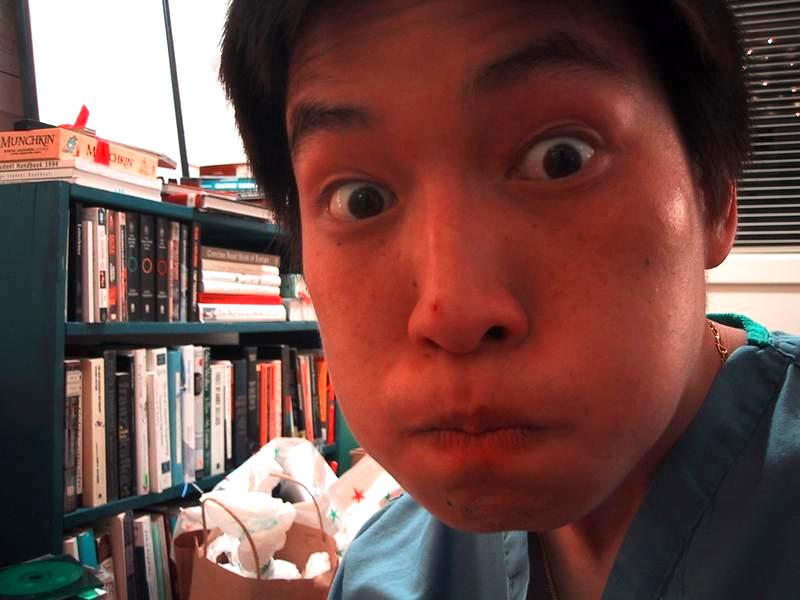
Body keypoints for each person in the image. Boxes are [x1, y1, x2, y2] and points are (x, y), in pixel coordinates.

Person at [219, 1, 800, 598]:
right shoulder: (376, 578)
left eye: (560, 159)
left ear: (714, 195)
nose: (452, 313)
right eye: (359, 199)